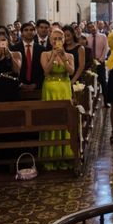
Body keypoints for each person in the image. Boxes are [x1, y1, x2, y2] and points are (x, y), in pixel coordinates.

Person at [39, 28, 75, 170]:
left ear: (64, 41)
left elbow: (71, 71)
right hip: (50, 90)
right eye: (54, 39)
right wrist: (54, 56)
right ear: (50, 40)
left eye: (60, 39)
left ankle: (65, 156)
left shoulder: (70, 56)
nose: (57, 41)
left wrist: (64, 57)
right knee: (50, 120)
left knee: (65, 121)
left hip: (64, 89)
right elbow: (46, 71)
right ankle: (49, 157)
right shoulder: (45, 54)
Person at [11, 22, 45, 91]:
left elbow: (43, 69)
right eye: (26, 30)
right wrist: (20, 84)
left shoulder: (41, 49)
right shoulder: (14, 48)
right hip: (18, 86)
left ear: (35, 32)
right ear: (21, 32)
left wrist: (36, 84)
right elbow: (12, 69)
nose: (29, 32)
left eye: (31, 30)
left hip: (37, 86)